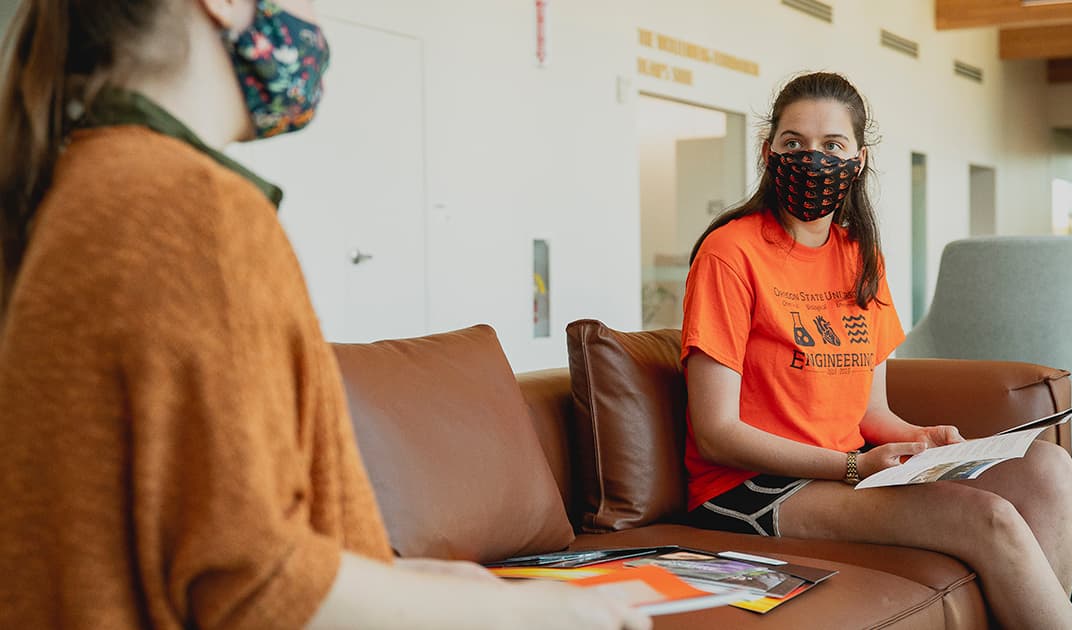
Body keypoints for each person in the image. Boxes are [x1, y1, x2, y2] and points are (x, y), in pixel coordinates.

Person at [0, 1, 650, 629]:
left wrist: (406, 588)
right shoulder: (189, 207)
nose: (316, 21)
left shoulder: (83, 188)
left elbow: (179, 534)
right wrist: (525, 614)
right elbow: (255, 587)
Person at [680, 72, 1072, 629]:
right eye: (793, 144)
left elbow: (870, 413)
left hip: (844, 472)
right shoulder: (730, 253)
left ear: (859, 159)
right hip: (749, 488)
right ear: (768, 151)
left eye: (832, 146)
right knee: (987, 518)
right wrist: (851, 466)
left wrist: (926, 440)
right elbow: (715, 432)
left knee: (1049, 468)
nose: (811, 159)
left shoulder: (860, 257)